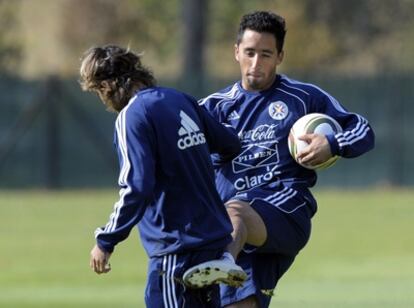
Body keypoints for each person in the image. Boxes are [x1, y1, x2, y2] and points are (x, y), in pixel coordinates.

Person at [187, 11, 375, 307]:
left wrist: (332, 142)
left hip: (285, 211)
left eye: (265, 54)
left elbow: (362, 130)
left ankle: (221, 261)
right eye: (249, 53)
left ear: (280, 56)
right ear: (236, 52)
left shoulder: (302, 97)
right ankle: (224, 260)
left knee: (235, 212)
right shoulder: (211, 109)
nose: (256, 63)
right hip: (232, 230)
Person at [79, 44, 247, 307]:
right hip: (213, 245)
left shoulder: (131, 117)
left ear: (107, 86)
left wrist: (106, 240)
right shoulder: (180, 99)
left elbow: (137, 186)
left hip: (175, 251)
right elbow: (230, 144)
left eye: (99, 92)